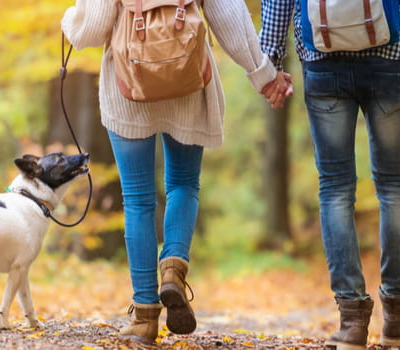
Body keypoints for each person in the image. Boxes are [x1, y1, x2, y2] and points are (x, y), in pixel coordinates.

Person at [61, 0, 292, 344]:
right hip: (189, 79)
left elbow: (89, 30)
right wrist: (264, 75)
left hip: (129, 85)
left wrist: (69, 21)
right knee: (183, 184)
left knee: (138, 200)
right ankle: (173, 266)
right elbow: (230, 18)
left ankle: (144, 318)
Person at [260, 0, 400, 349]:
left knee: (334, 189)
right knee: (393, 184)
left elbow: (277, 3)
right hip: (393, 53)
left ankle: (352, 323)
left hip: (323, 59)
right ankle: (399, 313)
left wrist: (269, 66)